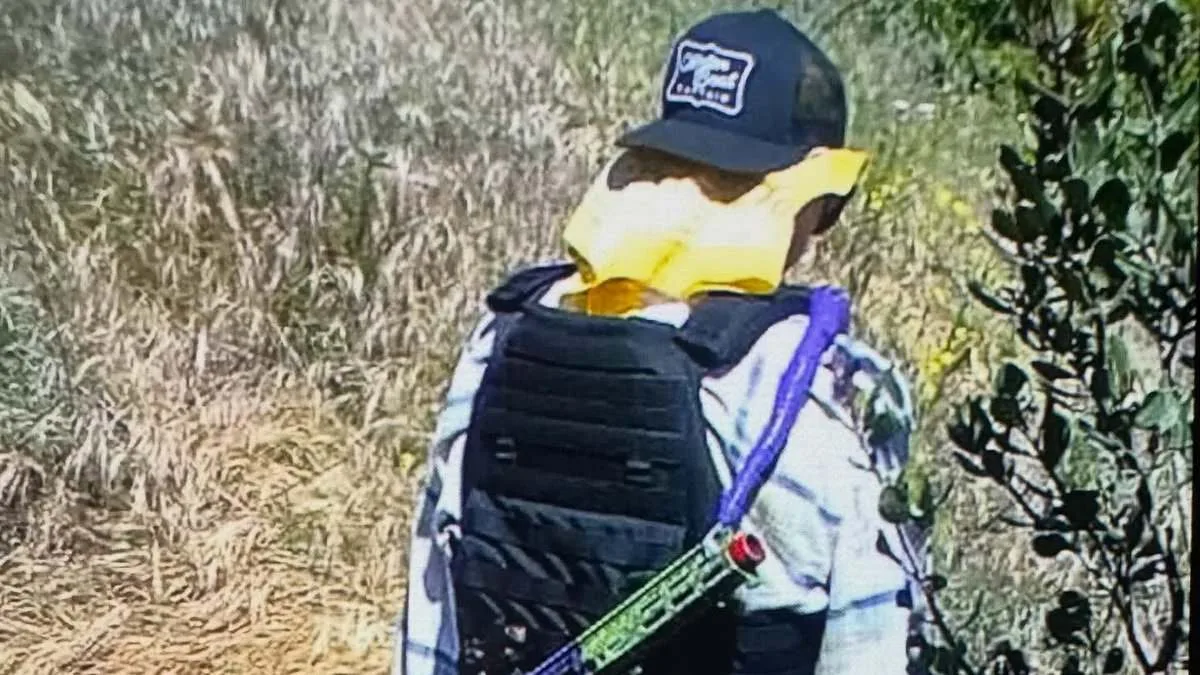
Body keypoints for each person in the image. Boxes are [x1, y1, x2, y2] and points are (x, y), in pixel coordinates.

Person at [392, 9, 931, 675]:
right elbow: (873, 642)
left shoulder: (502, 333)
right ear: (815, 197)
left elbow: (434, 606)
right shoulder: (831, 383)